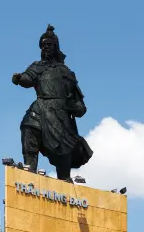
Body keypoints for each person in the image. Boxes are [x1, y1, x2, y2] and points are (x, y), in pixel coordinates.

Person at [12, 25, 93, 181]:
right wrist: (19, 78)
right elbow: (28, 78)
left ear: (56, 46)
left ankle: (64, 181)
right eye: (43, 45)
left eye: (49, 44)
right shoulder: (37, 66)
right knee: (28, 127)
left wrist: (73, 106)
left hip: (60, 115)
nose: (46, 47)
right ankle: (30, 171)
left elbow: (80, 107)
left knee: (63, 150)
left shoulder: (66, 72)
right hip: (41, 107)